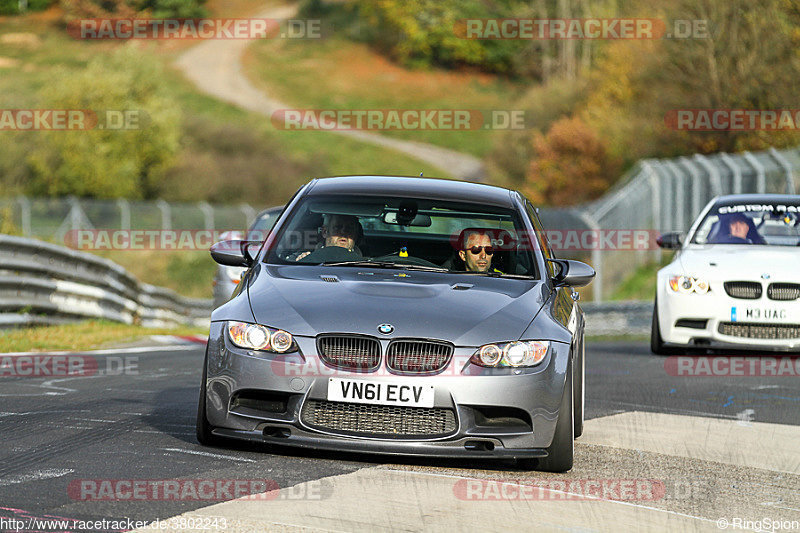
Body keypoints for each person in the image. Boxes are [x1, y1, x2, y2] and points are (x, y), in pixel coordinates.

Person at [294, 214, 362, 261]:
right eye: (337, 227)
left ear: (355, 234)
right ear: (325, 232)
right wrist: (304, 261)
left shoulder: (366, 265)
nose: (344, 232)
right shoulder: (309, 258)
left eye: (349, 228)